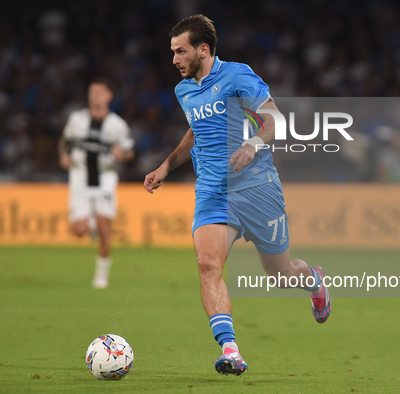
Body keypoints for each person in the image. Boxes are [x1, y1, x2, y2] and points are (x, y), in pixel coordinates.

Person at [144, 15, 330, 376]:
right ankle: (231, 351)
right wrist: (167, 165)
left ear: (203, 49)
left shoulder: (238, 76)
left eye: (180, 51)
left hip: (257, 188)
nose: (174, 60)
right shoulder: (184, 90)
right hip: (213, 190)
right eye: (172, 52)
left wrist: (253, 143)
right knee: (207, 264)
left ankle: (314, 280)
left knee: (281, 274)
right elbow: (197, 131)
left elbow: (274, 120)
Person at [59, 78, 134, 289]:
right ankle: (89, 222)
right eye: (92, 91)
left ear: (109, 96)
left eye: (100, 92)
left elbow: (129, 151)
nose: (95, 95)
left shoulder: (117, 125)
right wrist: (64, 155)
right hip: (79, 179)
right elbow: (65, 141)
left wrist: (123, 154)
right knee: (78, 230)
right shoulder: (77, 119)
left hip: (105, 180)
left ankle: (101, 275)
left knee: (104, 229)